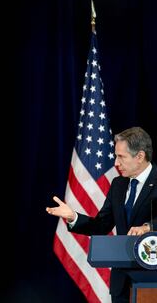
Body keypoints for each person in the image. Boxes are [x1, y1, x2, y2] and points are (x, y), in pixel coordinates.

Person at [46, 126, 157, 303]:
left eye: (121, 157)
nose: (116, 163)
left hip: (152, 281)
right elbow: (102, 225)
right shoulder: (118, 185)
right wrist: (73, 216)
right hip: (121, 283)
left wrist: (148, 227)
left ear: (140, 156)